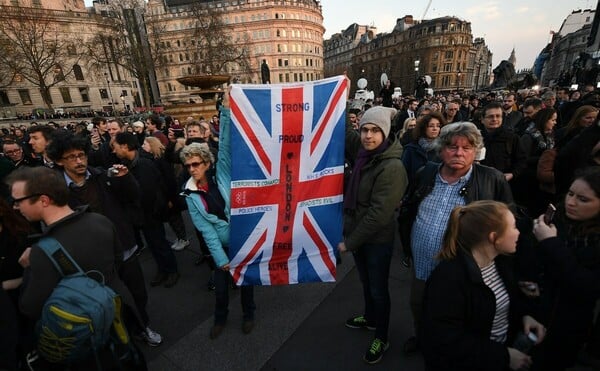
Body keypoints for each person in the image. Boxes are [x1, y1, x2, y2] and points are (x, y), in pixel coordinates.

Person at [399, 122, 513, 355]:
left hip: (461, 272)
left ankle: (445, 352)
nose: (459, 153)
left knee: (452, 316)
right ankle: (422, 339)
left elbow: (508, 223)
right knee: (419, 305)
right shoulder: (426, 173)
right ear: (441, 149)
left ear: (476, 151)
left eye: (467, 148)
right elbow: (409, 210)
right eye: (452, 147)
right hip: (422, 265)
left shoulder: (491, 179)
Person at [46, 132, 163, 347]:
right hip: (89, 259)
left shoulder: (103, 176)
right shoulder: (55, 190)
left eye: (81, 155)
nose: (79, 161)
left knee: (136, 291)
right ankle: (114, 333)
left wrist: (126, 178)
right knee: (104, 299)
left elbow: (133, 197)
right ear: (60, 161)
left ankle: (142, 326)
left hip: (123, 247)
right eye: (72, 157)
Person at [7, 166, 131, 369]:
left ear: (44, 200)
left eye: (18, 201)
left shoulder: (41, 252)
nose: (15, 207)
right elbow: (119, 261)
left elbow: (29, 307)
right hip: (117, 314)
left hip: (85, 338)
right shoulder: (100, 220)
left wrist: (28, 268)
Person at [421, 200, 546, 371]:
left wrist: (525, 315)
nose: (518, 233)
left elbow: (503, 304)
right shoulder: (449, 279)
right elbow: (445, 338)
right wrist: (503, 356)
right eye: (514, 227)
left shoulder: (502, 262)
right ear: (494, 237)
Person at [180, 91, 256, 340]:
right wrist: (221, 259)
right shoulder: (189, 193)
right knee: (221, 289)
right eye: (188, 166)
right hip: (220, 247)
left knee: (245, 284)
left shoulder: (221, 174)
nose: (192, 169)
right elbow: (205, 230)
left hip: (241, 239)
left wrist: (225, 110)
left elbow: (225, 145)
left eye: (196, 164)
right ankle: (220, 318)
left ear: (207, 163)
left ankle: (249, 315)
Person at [338, 105, 408, 364]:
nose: (368, 135)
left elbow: (378, 215)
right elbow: (345, 131)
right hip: (359, 235)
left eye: (375, 130)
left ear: (385, 133)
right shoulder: (363, 152)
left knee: (379, 289)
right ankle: (369, 318)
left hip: (376, 240)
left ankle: (382, 334)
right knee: (367, 283)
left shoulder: (391, 167)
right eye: (365, 129)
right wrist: (340, 96)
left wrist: (350, 242)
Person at [531, 167, 600, 370]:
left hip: (570, 328)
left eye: (583, 199)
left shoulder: (593, 242)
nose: (571, 202)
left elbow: (586, 285)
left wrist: (550, 243)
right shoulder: (556, 219)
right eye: (570, 194)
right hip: (535, 315)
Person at [112, 132, 180, 288]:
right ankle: (163, 270)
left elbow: (147, 193)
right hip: (142, 215)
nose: (113, 151)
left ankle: (172, 270)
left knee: (160, 243)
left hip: (151, 214)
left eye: (115, 147)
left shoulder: (144, 164)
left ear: (125, 146)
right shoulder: (127, 164)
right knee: (153, 244)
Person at [401, 112, 444, 183]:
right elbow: (403, 175)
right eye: (431, 126)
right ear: (423, 128)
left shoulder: (443, 149)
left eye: (438, 126)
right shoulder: (410, 149)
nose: (435, 129)